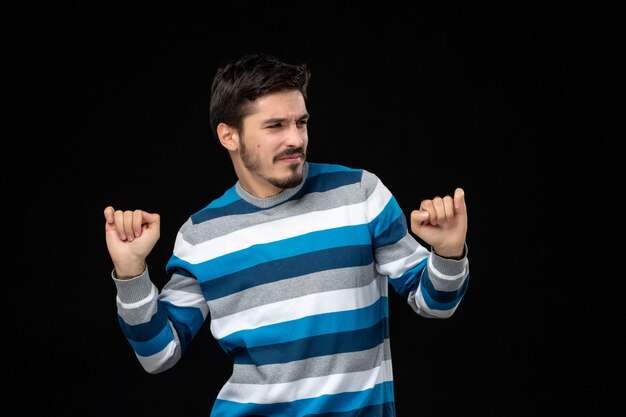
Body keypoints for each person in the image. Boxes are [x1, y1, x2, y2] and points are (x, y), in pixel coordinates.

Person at [103, 52, 470, 417]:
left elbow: (434, 305)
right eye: (275, 125)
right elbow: (159, 356)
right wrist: (132, 273)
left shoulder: (361, 194)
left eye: (302, 122)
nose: (295, 138)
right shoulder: (201, 236)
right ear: (228, 136)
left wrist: (449, 253)